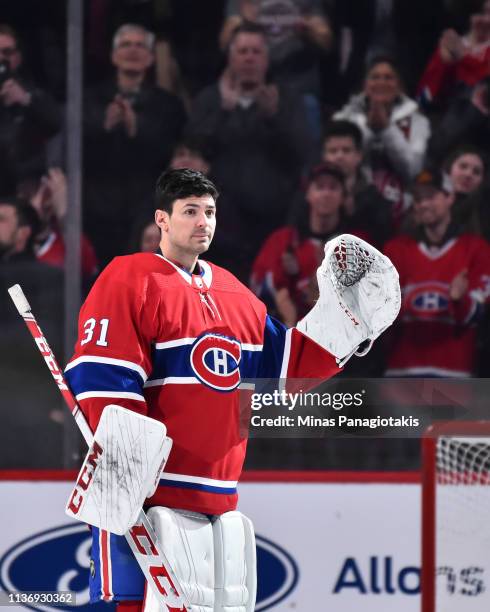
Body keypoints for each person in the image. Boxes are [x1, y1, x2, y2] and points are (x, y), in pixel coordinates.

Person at [64, 168, 398, 609]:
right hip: (144, 499)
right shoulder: (131, 277)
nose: (203, 221)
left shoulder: (234, 293)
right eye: (190, 212)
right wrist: (126, 478)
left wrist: (343, 327)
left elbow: (285, 369)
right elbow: (102, 376)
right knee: (125, 605)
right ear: (161, 219)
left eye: (210, 212)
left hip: (217, 498)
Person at [187, 22, 312, 280]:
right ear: (231, 58)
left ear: (266, 59)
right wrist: (224, 111)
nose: (249, 58)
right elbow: (192, 152)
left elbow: (303, 153)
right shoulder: (210, 100)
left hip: (273, 221)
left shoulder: (286, 100)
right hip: (220, 227)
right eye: (243, 51)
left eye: (256, 52)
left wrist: (274, 117)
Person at [83, 23, 186, 267]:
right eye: (126, 45)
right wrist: (104, 126)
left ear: (151, 57)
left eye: (140, 45)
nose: (133, 50)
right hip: (97, 208)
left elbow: (171, 152)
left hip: (145, 205)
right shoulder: (90, 99)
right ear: (113, 55)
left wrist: (136, 128)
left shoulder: (168, 104)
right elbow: (77, 149)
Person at [384, 169, 490, 377]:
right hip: (401, 372)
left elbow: (479, 316)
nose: (423, 204)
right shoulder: (395, 250)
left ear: (450, 197)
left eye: (431, 197)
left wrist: (460, 300)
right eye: (418, 199)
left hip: (453, 374)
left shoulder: (477, 249)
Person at [251, 162, 369, 327]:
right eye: (320, 187)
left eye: (333, 187)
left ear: (344, 197)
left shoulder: (358, 244)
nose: (326, 193)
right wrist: (286, 279)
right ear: (308, 194)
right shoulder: (283, 241)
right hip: (292, 339)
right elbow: (258, 293)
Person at [0, 196, 63, 468]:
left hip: (29, 416)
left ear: (23, 233)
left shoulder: (46, 279)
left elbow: (51, 339)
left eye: (2, 220)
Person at [334, 55, 431, 225]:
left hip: (403, 212)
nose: (381, 82)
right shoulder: (345, 118)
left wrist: (387, 130)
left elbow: (414, 169)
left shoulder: (417, 120)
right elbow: (338, 165)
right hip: (352, 206)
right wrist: (369, 130)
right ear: (365, 84)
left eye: (388, 77)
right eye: (375, 77)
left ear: (399, 85)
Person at [0, 24, 61, 194]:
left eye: (6, 52)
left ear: (18, 57)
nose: (0, 59)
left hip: (26, 184)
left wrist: (25, 99)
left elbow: (55, 123)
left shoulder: (35, 94)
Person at [322, 119, 393, 246]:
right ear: (324, 156)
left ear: (359, 156)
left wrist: (351, 215)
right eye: (333, 151)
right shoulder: (308, 196)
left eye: (346, 150)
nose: (339, 156)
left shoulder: (375, 200)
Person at [417, 0, 490, 109]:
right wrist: (444, 64)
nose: (486, 19)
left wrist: (463, 58)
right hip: (448, 120)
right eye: (480, 13)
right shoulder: (451, 46)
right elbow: (423, 99)